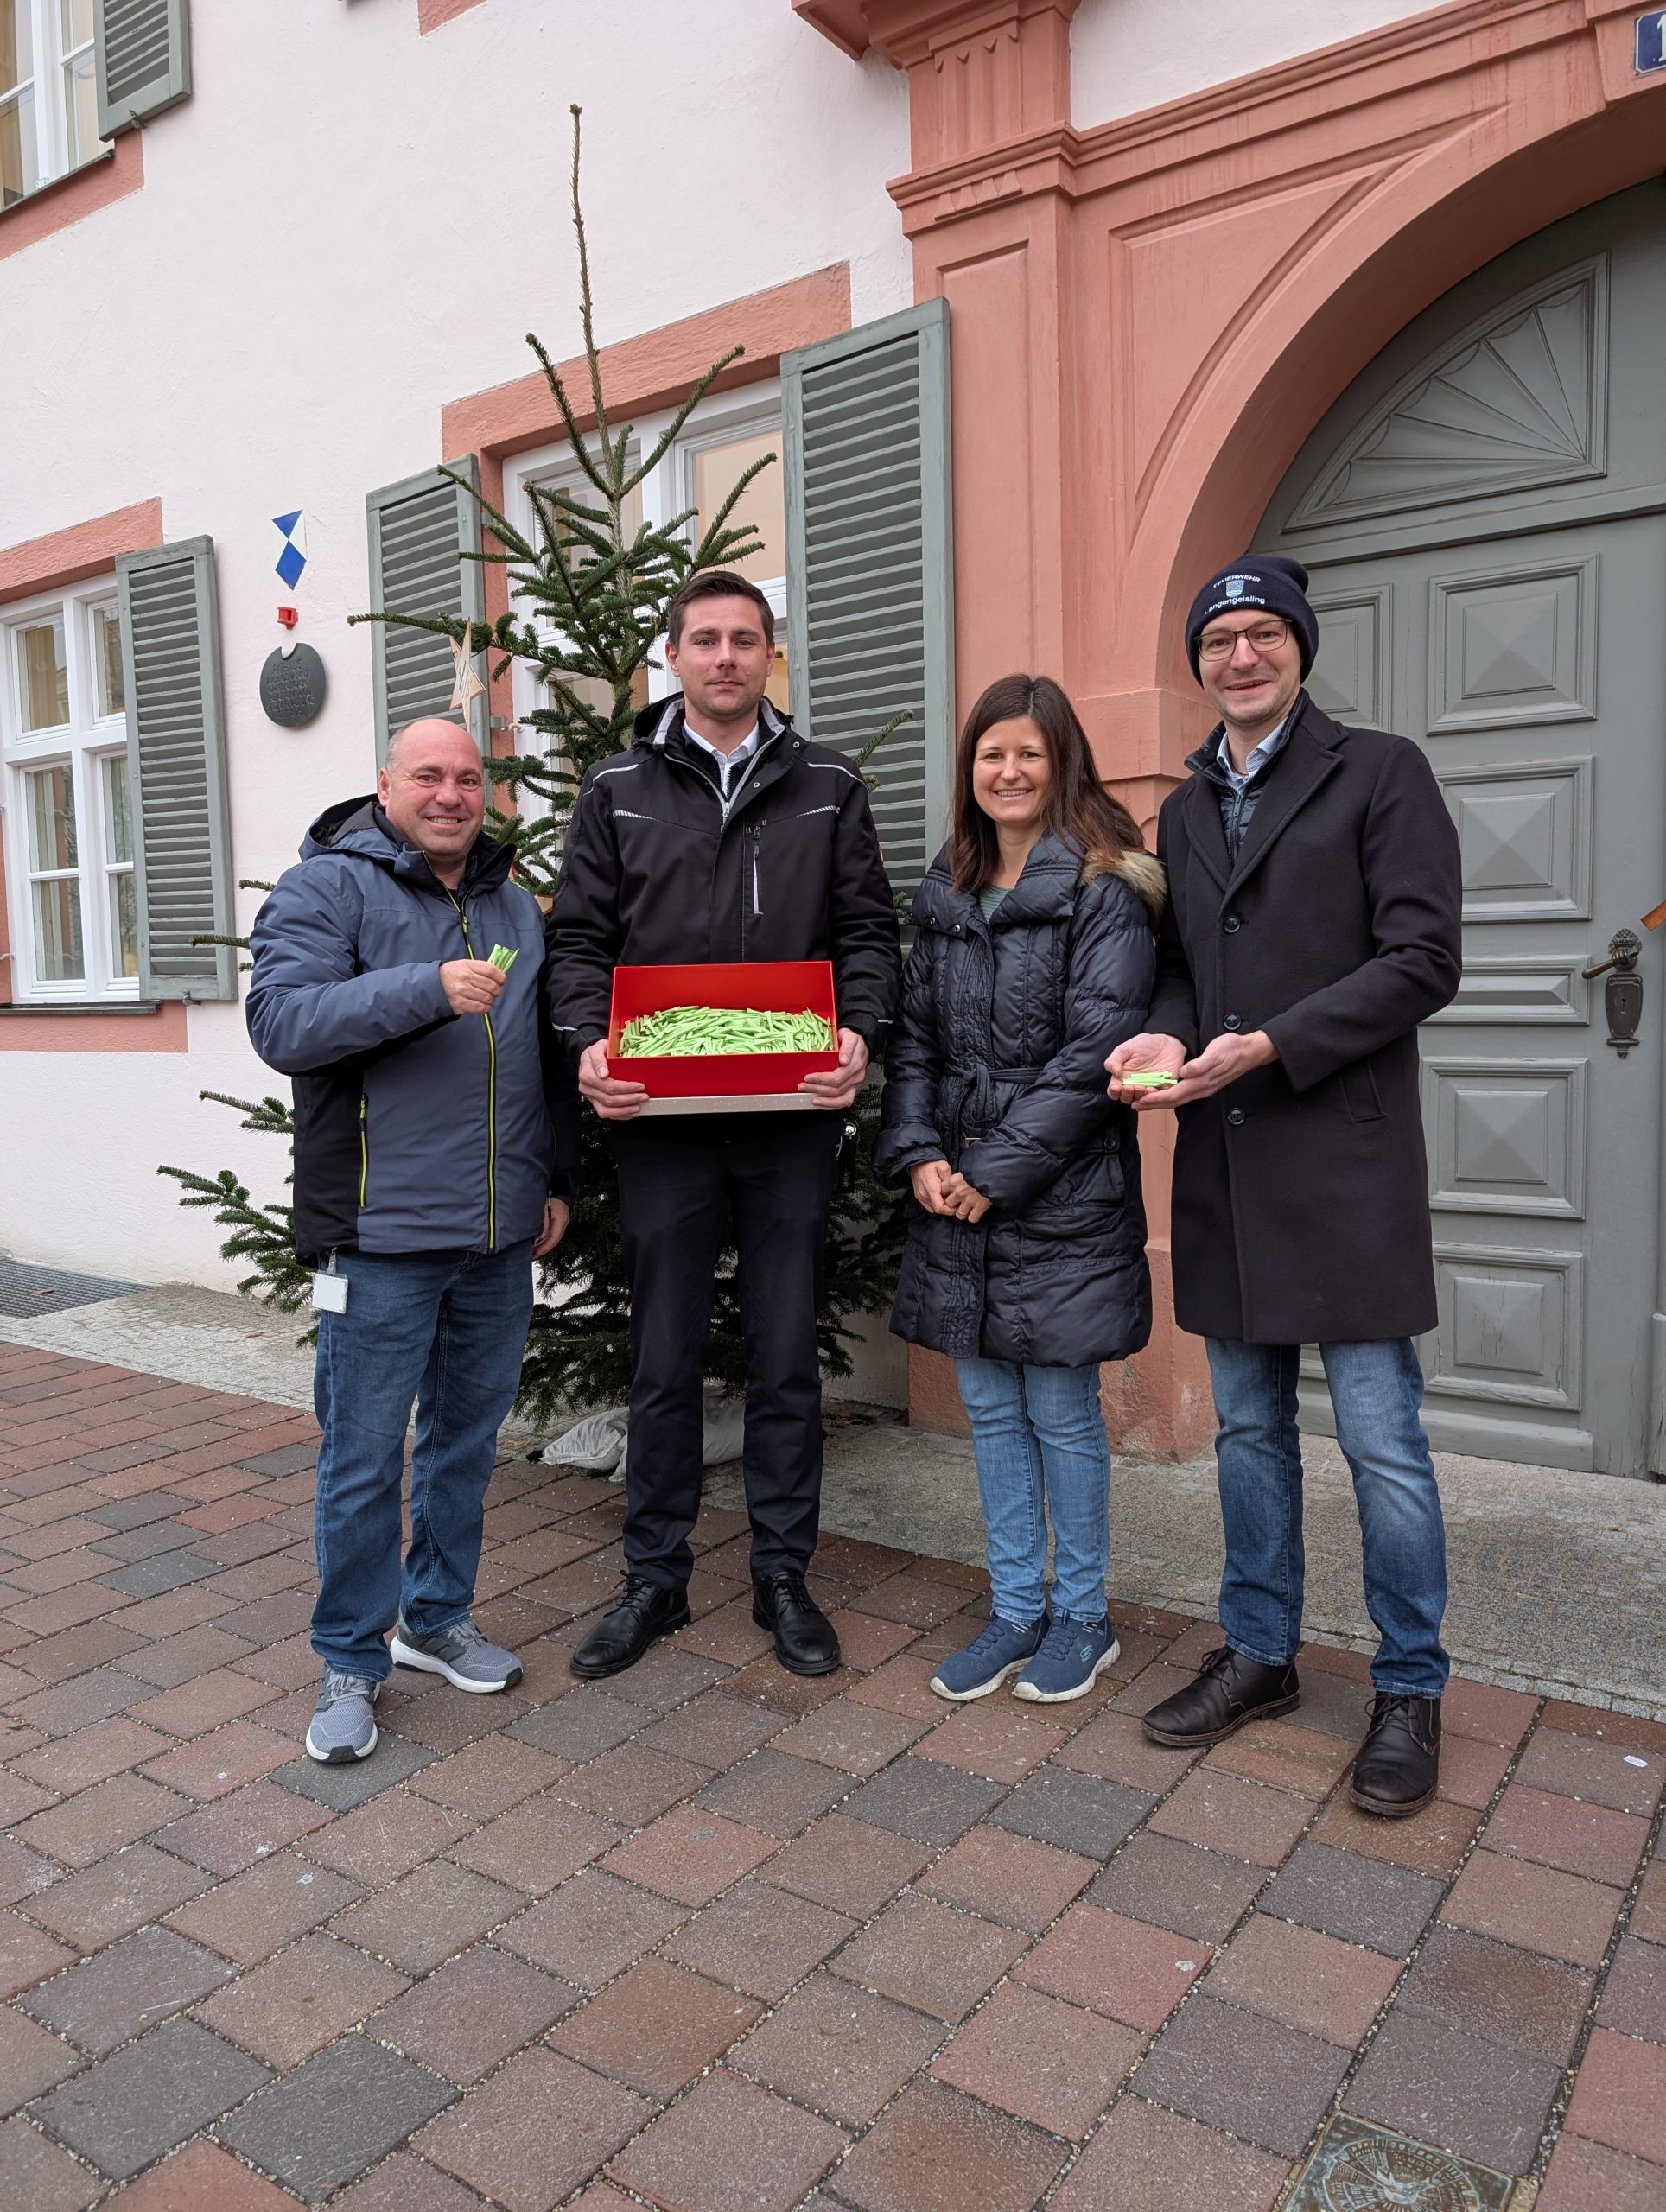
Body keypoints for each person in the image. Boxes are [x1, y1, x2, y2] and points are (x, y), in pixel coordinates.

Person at [1107, 555, 1462, 1815]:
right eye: (1220, 641)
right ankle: (1261, 1654)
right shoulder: (1187, 809)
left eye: (1263, 635)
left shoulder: (1381, 773)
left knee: (1381, 1442)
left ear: (1299, 649)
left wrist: (1276, 1042)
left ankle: (1410, 1686)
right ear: (1198, 662)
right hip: (1229, 1163)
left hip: (1346, 1156)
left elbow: (1424, 959)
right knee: (1251, 1431)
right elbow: (1174, 970)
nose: (1241, 657)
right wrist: (1160, 1035)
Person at [546, 569, 901, 1681]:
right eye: (704, 639)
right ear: (674, 657)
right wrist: (583, 1044)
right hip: (660, 1118)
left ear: (768, 656)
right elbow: (575, 948)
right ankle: (653, 1579)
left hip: (791, 1117)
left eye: (745, 639)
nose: (726, 658)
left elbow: (867, 935)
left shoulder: (829, 782)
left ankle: (781, 1575)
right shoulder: (615, 786)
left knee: (787, 1356)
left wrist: (861, 1033)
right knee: (663, 1360)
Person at [247, 717, 578, 1763]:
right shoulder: (326, 889)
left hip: (495, 1235)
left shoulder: (512, 904)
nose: (450, 793)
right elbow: (282, 1023)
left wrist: (551, 1181)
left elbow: (536, 1061)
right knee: (360, 1457)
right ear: (383, 784)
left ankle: (435, 1618)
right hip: (377, 1236)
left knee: (464, 1444)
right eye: (427, 775)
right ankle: (351, 1657)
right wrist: (423, 989)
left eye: (469, 777)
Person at [876, 675, 1163, 1703]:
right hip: (954, 1191)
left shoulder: (1105, 886)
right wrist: (918, 1154)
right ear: (970, 770)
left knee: (1059, 1408)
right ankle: (1012, 1607)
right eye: (991, 753)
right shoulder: (947, 888)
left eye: (1028, 754)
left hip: (1058, 1193)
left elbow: (1095, 1053)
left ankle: (1081, 1618)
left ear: (1061, 764)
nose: (1008, 771)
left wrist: (992, 1174)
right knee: (988, 1406)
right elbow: (910, 1040)